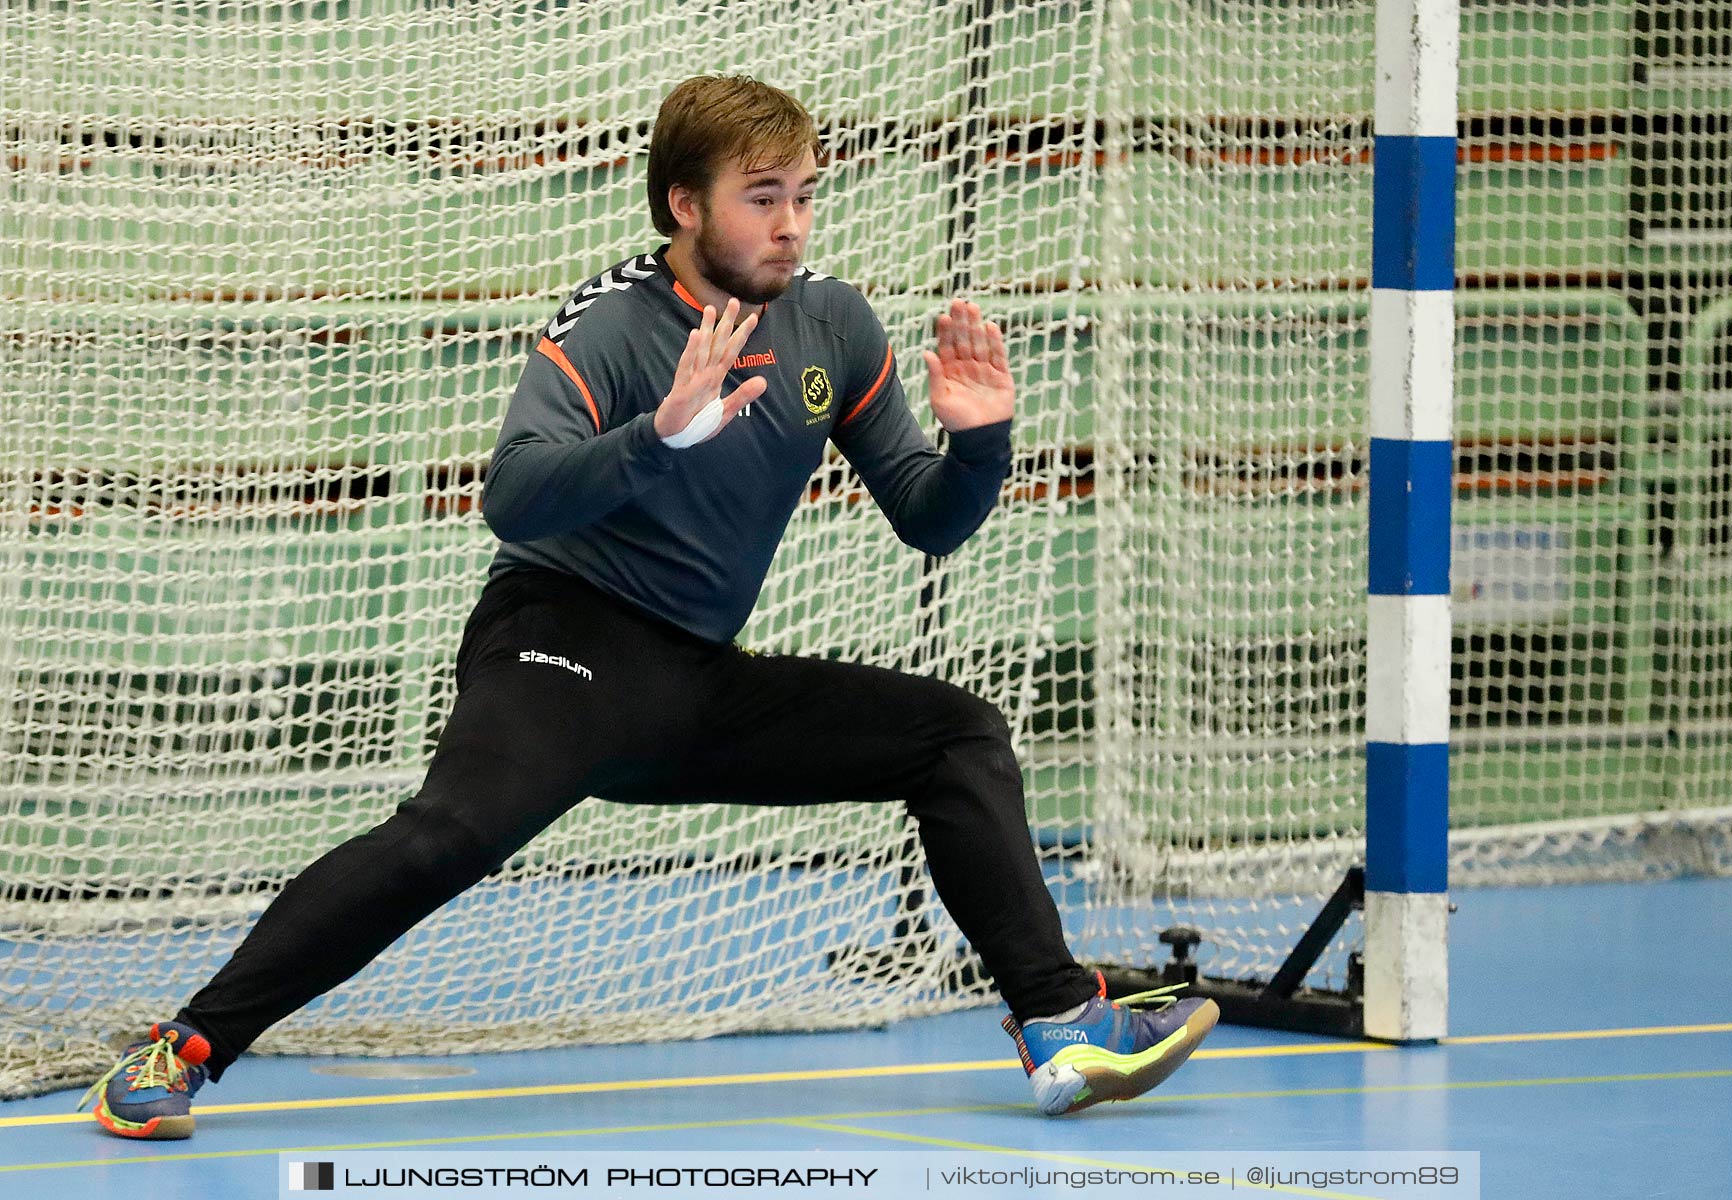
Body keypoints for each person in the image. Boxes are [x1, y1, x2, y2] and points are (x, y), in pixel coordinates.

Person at [82, 74, 1217, 1139]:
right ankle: (177, 1050)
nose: (791, 225)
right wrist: (656, 437)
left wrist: (979, 443)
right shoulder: (613, 327)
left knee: (954, 734)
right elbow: (512, 495)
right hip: (558, 641)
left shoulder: (832, 327)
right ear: (685, 203)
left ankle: (1060, 1026)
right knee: (450, 836)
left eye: (804, 197)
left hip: (690, 680)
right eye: (761, 198)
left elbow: (926, 518)